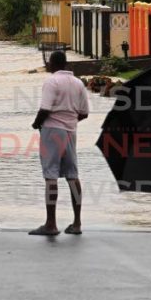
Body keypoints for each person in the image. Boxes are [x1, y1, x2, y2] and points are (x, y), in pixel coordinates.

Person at [29, 50, 90, 236]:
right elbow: (84, 113)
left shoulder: (51, 81)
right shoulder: (78, 83)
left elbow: (45, 108)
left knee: (51, 176)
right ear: (66, 64)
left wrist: (36, 124)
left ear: (51, 64)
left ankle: (51, 224)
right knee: (73, 175)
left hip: (52, 130)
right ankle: (77, 223)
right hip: (71, 130)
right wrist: (69, 122)